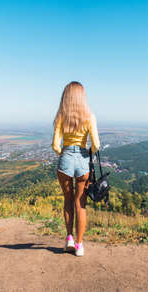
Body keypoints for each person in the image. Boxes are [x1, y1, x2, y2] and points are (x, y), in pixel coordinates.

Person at [52, 81, 100, 257]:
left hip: (65, 159)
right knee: (81, 204)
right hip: (82, 160)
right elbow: (96, 145)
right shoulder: (89, 116)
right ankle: (79, 245)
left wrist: (64, 153)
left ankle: (69, 238)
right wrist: (86, 154)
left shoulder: (61, 117)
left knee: (68, 200)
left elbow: (55, 145)